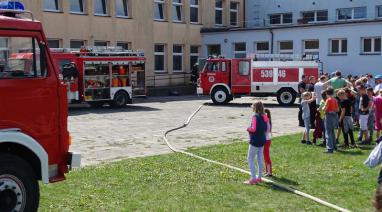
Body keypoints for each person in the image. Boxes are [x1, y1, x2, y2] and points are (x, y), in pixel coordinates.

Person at [245, 101, 269, 185]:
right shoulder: (265, 116)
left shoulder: (255, 117)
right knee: (259, 159)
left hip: (255, 141)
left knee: (250, 159)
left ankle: (253, 179)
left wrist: (248, 128)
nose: (252, 107)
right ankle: (259, 177)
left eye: (253, 106)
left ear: (255, 108)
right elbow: (267, 129)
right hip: (262, 140)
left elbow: (253, 129)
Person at [323, 87, 339, 153]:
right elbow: (337, 109)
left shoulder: (328, 100)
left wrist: (323, 108)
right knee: (332, 132)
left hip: (329, 116)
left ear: (326, 93)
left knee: (328, 133)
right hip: (334, 116)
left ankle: (329, 148)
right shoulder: (335, 100)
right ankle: (334, 146)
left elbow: (325, 108)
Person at [264, 109, 272, 177]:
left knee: (266, 155)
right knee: (265, 155)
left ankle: (269, 172)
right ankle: (267, 170)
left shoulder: (266, 120)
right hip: (267, 139)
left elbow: (267, 130)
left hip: (266, 140)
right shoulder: (267, 120)